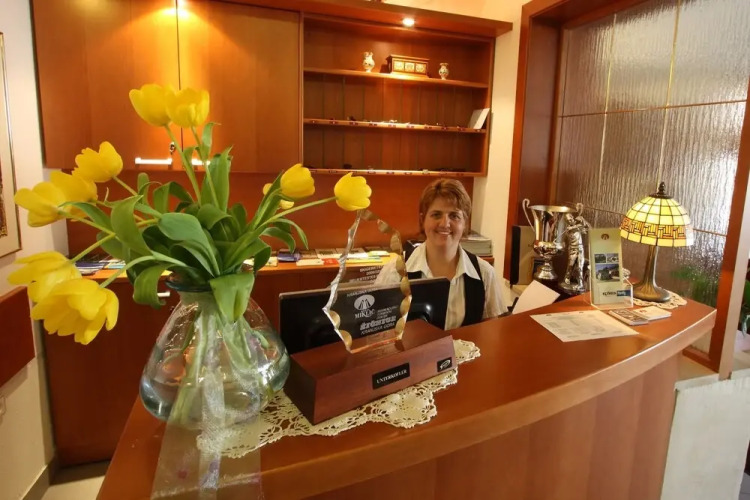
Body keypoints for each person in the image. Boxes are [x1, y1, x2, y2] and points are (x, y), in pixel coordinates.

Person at [375, 179, 505, 330]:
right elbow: (379, 333)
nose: (444, 224)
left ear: (465, 223)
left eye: (454, 216)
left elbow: (489, 334)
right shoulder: (394, 272)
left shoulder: (485, 274)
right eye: (436, 215)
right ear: (422, 220)